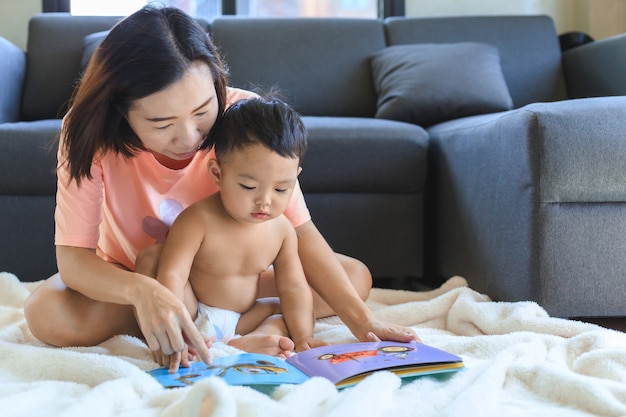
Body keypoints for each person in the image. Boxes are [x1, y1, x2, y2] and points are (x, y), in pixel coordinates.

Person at [23, 5, 418, 366]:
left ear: (217, 85)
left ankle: (223, 326)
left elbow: (300, 232)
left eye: (202, 112)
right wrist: (144, 293)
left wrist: (363, 322)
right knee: (46, 313)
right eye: (162, 124)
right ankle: (188, 320)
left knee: (354, 278)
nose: (190, 137)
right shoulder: (87, 134)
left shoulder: (244, 116)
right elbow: (74, 260)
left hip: (230, 282)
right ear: (120, 111)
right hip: (135, 273)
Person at [144, 95, 327, 371]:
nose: (265, 200)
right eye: (248, 187)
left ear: (295, 178)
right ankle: (195, 338)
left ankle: (246, 342)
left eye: (281, 189)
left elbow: (293, 286)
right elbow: (174, 274)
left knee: (284, 308)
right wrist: (175, 323)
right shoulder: (197, 219)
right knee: (152, 260)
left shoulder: (283, 231)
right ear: (218, 174)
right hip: (194, 312)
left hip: (244, 318)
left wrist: (304, 337)